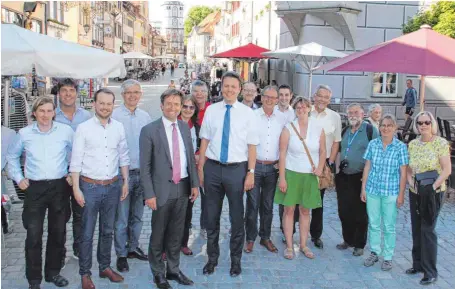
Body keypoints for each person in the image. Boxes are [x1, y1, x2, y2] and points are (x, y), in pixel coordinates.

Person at [7, 97, 74, 289]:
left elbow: (77, 152)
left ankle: (53, 273)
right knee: (33, 235)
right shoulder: (25, 133)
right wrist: (19, 178)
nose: (45, 115)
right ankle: (34, 280)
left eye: (49, 111)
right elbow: (12, 156)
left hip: (59, 188)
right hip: (34, 188)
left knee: (58, 232)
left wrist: (71, 173)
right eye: (41, 111)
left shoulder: (65, 131)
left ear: (54, 112)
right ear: (34, 113)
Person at [198, 71, 259, 277]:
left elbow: (252, 146)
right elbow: (204, 141)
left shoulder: (247, 113)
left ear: (239, 89)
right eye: (226, 86)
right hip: (213, 168)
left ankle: (235, 261)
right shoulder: (211, 110)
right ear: (221, 87)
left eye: (234, 86)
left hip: (237, 170)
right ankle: (212, 259)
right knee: (211, 217)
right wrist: (201, 169)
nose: (230, 90)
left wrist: (251, 173)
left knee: (236, 218)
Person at [70, 89, 130, 289]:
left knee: (107, 231)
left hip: (112, 186)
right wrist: (77, 189)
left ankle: (104, 267)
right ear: (94, 104)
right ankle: (85, 273)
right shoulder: (84, 128)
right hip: (89, 187)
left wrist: (126, 181)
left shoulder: (119, 127)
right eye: (101, 103)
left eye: (109, 103)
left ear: (114, 105)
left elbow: (123, 156)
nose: (105, 107)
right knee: (86, 233)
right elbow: (76, 160)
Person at [140, 89, 199, 289]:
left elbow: (190, 158)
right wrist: (149, 194)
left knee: (176, 233)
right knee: (158, 234)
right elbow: (145, 166)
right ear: (161, 106)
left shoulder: (183, 127)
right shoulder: (149, 130)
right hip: (160, 191)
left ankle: (173, 270)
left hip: (182, 187)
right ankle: (158, 273)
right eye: (169, 103)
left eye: (177, 104)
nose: (173, 107)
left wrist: (195, 184)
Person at [275, 96, 326, 260]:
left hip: (310, 175)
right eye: (298, 107)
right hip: (291, 173)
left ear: (309, 108)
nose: (301, 109)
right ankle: (289, 246)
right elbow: (282, 153)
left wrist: (319, 168)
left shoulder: (318, 128)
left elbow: (323, 151)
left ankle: (303, 244)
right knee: (289, 210)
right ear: (295, 109)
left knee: (305, 210)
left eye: (304, 107)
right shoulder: (288, 128)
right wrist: (281, 177)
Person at [406, 111, 451, 285]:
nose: (423, 125)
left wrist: (432, 188)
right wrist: (411, 183)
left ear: (432, 124)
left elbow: (446, 170)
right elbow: (409, 168)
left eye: (426, 122)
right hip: (416, 190)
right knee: (416, 228)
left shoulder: (440, 143)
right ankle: (417, 264)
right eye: (420, 123)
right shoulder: (413, 144)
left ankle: (430, 271)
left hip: (434, 191)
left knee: (427, 229)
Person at [112, 80, 151, 273]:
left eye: (136, 92)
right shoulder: (114, 116)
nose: (133, 95)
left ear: (140, 95)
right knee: (121, 218)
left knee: (137, 216)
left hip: (142, 174)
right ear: (122, 95)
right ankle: (121, 254)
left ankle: (133, 247)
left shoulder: (145, 116)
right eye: (129, 92)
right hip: (122, 175)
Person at [361, 114, 408, 271]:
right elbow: (367, 166)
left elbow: (403, 173)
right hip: (373, 189)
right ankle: (375, 251)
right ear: (379, 127)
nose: (385, 128)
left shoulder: (400, 147)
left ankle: (388, 257)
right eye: (383, 125)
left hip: (391, 191)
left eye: (389, 125)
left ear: (394, 128)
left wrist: (401, 194)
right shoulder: (373, 144)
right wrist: (363, 188)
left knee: (389, 226)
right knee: (374, 224)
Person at [244, 86, 286, 254]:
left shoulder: (283, 119)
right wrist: (249, 170)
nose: (269, 99)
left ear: (277, 100)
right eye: (267, 96)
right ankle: (250, 238)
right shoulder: (252, 116)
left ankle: (265, 237)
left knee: (268, 205)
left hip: (273, 167)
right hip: (255, 166)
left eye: (273, 97)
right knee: (252, 205)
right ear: (261, 97)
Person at [54, 78, 92, 261]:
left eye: (71, 90)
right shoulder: (51, 115)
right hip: (59, 176)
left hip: (82, 174)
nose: (68, 94)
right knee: (59, 217)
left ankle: (79, 249)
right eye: (64, 90)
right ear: (58, 93)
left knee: (81, 216)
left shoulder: (86, 116)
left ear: (77, 93)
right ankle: (59, 254)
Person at [335, 104, 378, 257]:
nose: (353, 115)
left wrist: (371, 176)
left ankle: (359, 244)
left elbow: (377, 152)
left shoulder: (369, 130)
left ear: (363, 114)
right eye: (350, 112)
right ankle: (348, 240)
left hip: (360, 176)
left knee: (360, 212)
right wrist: (337, 171)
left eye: (356, 112)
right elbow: (340, 150)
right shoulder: (345, 131)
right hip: (344, 176)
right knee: (344, 210)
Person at [309, 84, 342, 249]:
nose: (322, 99)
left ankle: (316, 235)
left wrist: (330, 162)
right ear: (314, 96)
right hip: (304, 160)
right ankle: (291, 231)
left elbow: (336, 141)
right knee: (299, 197)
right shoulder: (306, 112)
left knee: (318, 200)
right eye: (320, 96)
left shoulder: (335, 117)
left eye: (326, 97)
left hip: (324, 162)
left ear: (329, 100)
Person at [177, 95, 200, 255]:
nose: (187, 110)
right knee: (170, 212)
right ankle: (167, 246)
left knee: (187, 211)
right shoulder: (172, 124)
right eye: (185, 106)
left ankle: (183, 243)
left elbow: (200, 148)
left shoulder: (197, 127)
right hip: (173, 175)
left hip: (190, 175)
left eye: (191, 107)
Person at [276, 84, 298, 243]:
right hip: (272, 159)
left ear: (291, 96)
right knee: (277, 198)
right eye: (281, 95)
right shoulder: (273, 111)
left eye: (286, 95)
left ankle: (288, 230)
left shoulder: (295, 114)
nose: (283, 98)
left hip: (290, 161)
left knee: (289, 199)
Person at [1, 125, 16, 235]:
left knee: (4, 198)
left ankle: (5, 224)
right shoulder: (9, 132)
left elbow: (11, 155)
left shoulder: (9, 133)